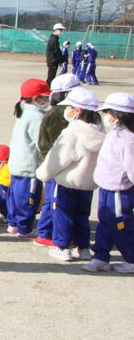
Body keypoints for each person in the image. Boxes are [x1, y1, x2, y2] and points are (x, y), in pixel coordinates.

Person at [36, 87, 104, 262]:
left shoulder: (72, 131)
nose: (66, 111)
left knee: (63, 213)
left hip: (68, 182)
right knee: (82, 215)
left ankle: (61, 246)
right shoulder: (99, 129)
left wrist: (43, 173)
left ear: (77, 110)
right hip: (88, 183)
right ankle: (83, 248)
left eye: (69, 107)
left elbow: (58, 158)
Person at [83, 92, 134, 273]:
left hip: (119, 190)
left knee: (121, 225)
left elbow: (131, 166)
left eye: (108, 113)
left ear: (119, 115)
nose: (106, 117)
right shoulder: (114, 133)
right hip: (106, 187)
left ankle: (131, 258)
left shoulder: (128, 138)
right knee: (104, 222)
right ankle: (100, 257)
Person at [35, 73, 82, 246]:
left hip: (67, 168)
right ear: (66, 94)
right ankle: (49, 233)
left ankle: (52, 232)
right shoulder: (59, 114)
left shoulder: (74, 112)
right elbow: (49, 145)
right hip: (57, 168)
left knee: (58, 202)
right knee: (56, 202)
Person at [6, 79, 50, 238]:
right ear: (36, 98)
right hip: (29, 166)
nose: (47, 101)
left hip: (17, 164)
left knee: (15, 196)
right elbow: (41, 142)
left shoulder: (23, 112)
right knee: (28, 198)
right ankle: (24, 228)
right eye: (45, 97)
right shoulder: (37, 117)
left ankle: (13, 223)